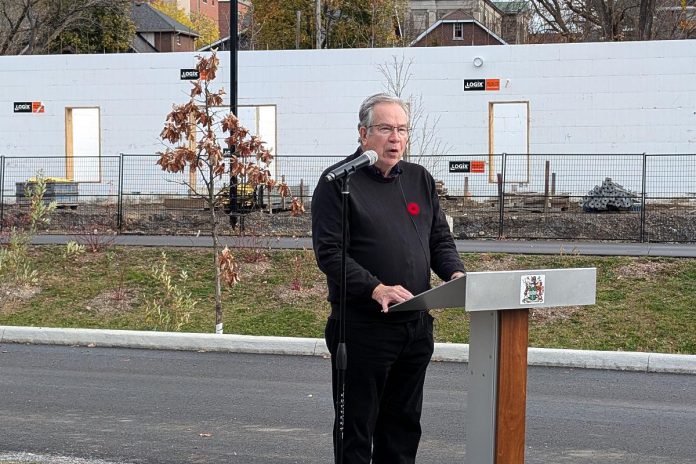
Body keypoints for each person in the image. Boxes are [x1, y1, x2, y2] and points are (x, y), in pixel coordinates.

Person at [311, 93, 466, 463]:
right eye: (385, 129)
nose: (395, 138)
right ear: (363, 134)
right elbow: (330, 254)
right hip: (364, 328)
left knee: (403, 427)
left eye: (402, 130)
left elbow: (438, 238)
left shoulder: (419, 180)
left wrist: (456, 273)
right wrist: (375, 287)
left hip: (414, 326)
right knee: (357, 432)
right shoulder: (337, 183)